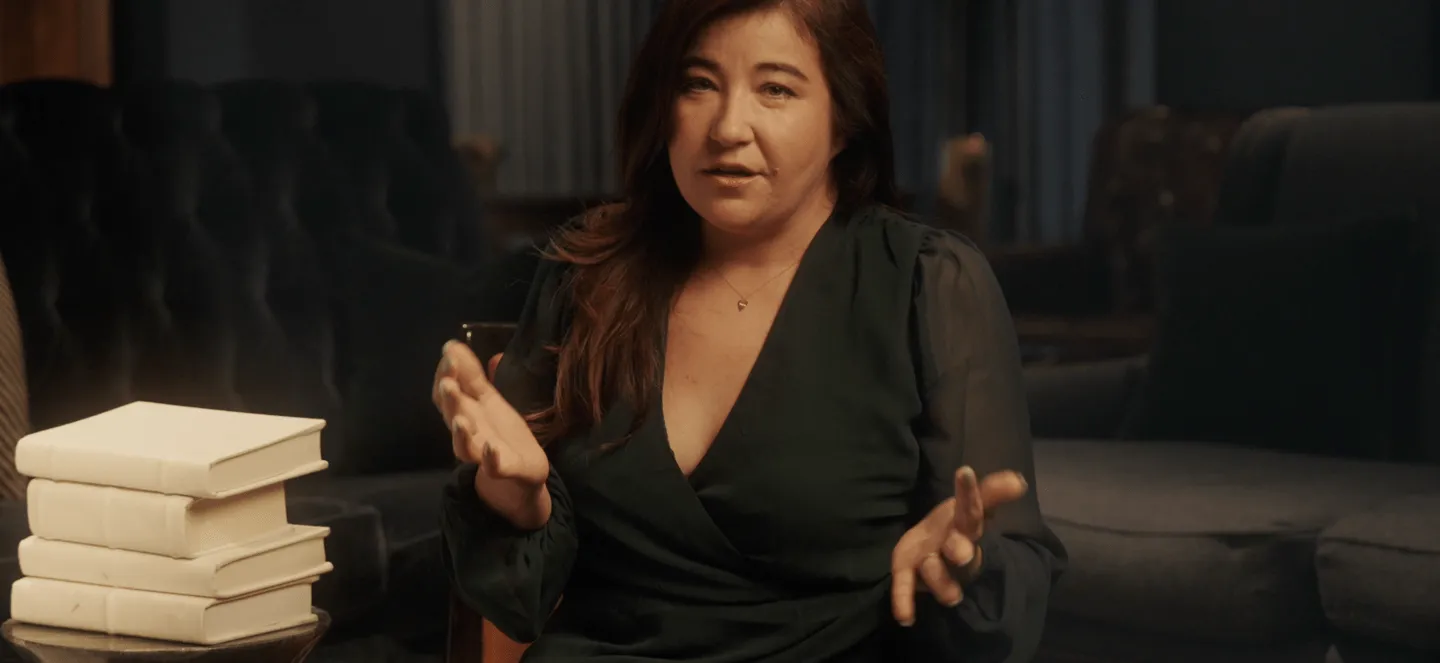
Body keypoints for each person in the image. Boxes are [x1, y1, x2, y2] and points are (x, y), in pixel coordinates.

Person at [434, 0, 1066, 660]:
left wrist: (964, 568)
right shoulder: (585, 273)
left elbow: (1010, 581)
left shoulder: (928, 282)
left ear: (844, 120)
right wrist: (516, 498)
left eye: (775, 89)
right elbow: (517, 599)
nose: (728, 127)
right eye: (698, 83)